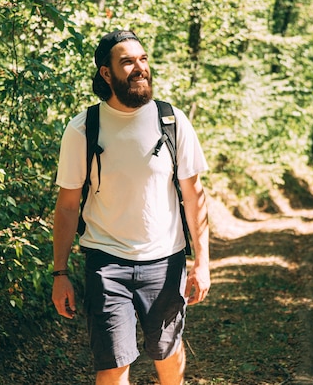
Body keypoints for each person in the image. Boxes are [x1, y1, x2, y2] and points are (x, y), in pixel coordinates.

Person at [51, 29, 211, 385]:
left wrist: (202, 263)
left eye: (143, 59)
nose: (140, 68)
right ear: (106, 74)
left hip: (166, 261)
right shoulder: (83, 129)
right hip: (105, 263)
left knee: (167, 354)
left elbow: (194, 196)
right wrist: (59, 273)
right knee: (112, 366)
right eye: (127, 62)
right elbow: (67, 207)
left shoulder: (172, 121)